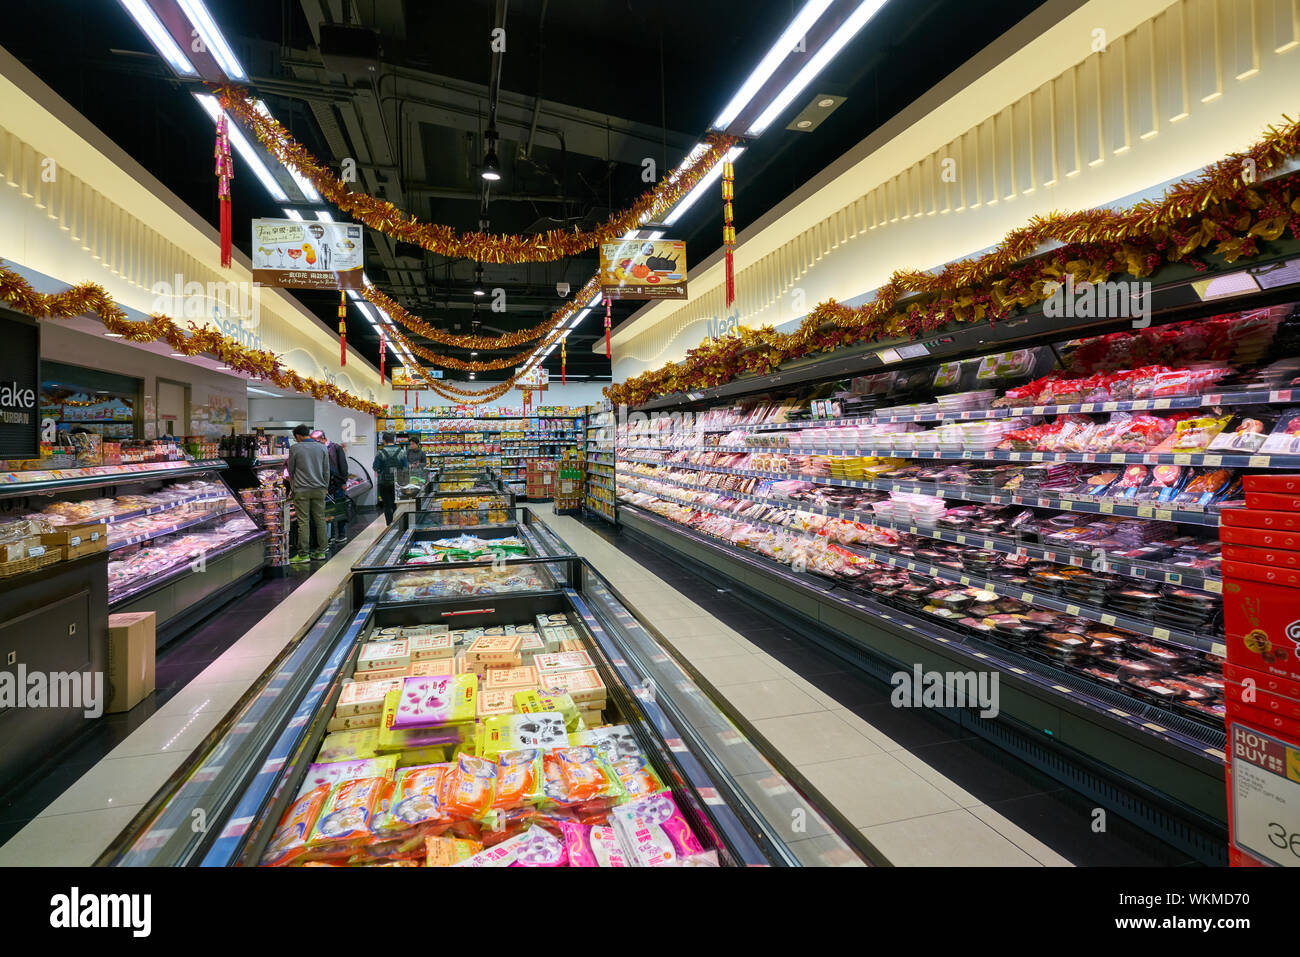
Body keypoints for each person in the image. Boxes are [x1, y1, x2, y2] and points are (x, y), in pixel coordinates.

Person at [287, 423, 330, 563]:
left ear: (298, 436)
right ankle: (321, 552)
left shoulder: (295, 448)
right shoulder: (322, 447)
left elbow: (291, 470)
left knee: (303, 522)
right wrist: (325, 486)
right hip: (319, 489)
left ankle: (303, 554)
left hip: (302, 490)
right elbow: (326, 471)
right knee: (320, 520)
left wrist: (292, 486)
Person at [313, 429, 350, 544]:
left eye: (316, 441)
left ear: (323, 438)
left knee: (339, 508)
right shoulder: (317, 449)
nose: (315, 443)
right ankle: (331, 535)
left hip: (337, 483)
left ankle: (342, 534)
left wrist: (344, 482)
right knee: (328, 510)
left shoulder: (336, 448)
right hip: (325, 485)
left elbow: (343, 466)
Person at [372, 431, 408, 525]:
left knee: (387, 505)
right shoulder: (401, 452)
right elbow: (406, 467)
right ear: (394, 440)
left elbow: (375, 467)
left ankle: (389, 525)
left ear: (384, 440)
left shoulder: (380, 453)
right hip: (398, 482)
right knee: (397, 503)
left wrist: (381, 472)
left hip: (384, 482)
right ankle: (398, 523)